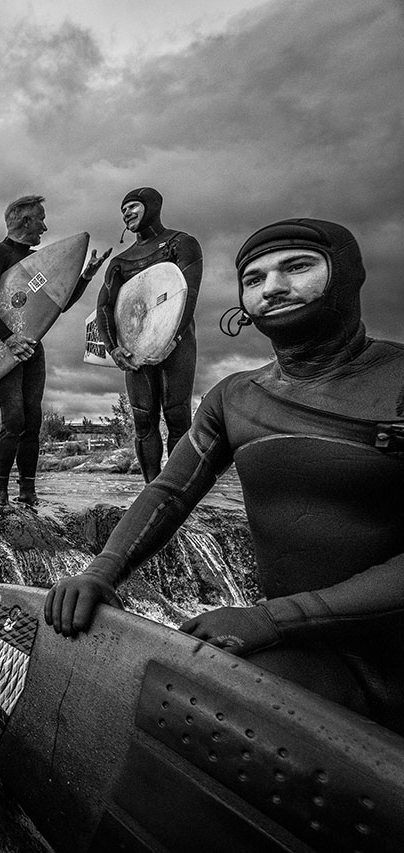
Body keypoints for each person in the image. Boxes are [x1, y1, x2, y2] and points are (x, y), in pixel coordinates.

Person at [45, 218, 404, 734]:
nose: (273, 287)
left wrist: (271, 618)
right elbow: (168, 492)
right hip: (312, 657)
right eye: (254, 280)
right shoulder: (235, 397)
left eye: (297, 267)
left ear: (347, 274)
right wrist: (101, 572)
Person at [0, 194, 110, 507]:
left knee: (33, 419)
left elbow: (56, 307)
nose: (45, 227)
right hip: (3, 349)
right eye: (40, 219)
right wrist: (9, 338)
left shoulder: (40, 262)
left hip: (32, 347)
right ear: (24, 221)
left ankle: (28, 490)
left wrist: (85, 277)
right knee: (15, 419)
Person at [94, 187, 202, 482]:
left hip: (177, 344)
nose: (126, 213)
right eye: (123, 210)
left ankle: (179, 488)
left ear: (152, 206)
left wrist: (174, 339)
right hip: (134, 348)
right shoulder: (121, 262)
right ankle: (151, 488)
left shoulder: (181, 243)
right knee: (143, 419)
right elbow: (104, 306)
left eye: (132, 206)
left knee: (177, 415)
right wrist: (114, 348)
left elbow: (188, 293)